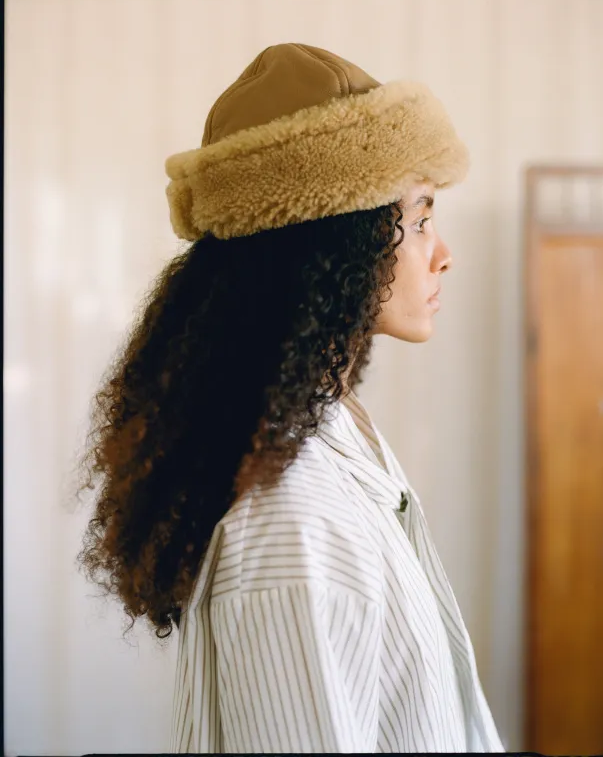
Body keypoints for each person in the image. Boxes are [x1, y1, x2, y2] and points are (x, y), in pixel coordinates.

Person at [75, 43, 505, 752]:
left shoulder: (332, 441)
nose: (442, 252)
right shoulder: (291, 523)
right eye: (420, 216)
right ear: (337, 238)